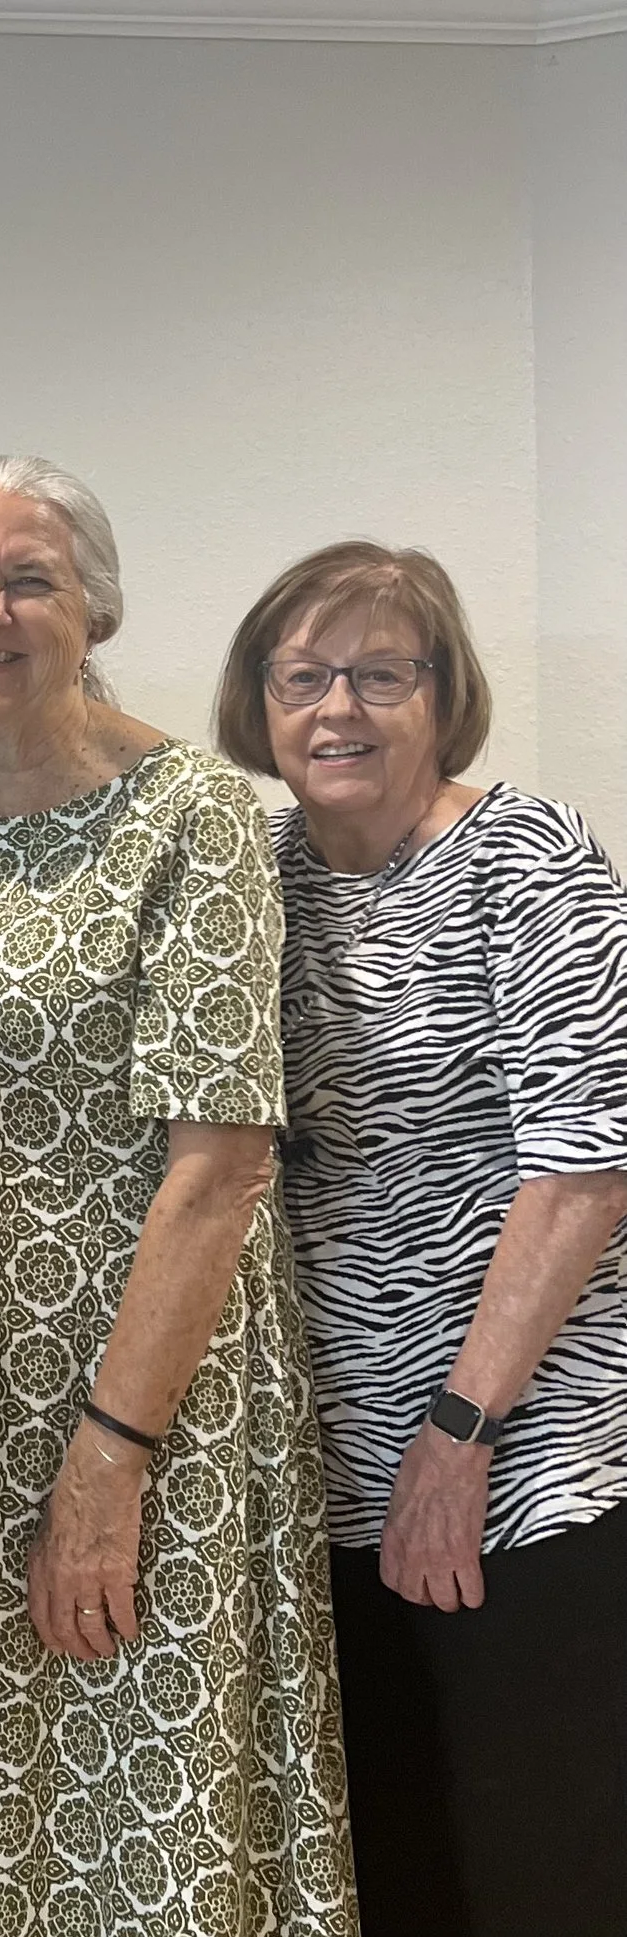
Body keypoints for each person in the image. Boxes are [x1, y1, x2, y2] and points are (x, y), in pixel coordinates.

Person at [0, 457, 357, 1936]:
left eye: (29, 578)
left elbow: (222, 1164)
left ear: (99, 610)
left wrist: (109, 1458)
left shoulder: (195, 815)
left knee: (140, 1792)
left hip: (150, 1383)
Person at [215, 541, 627, 1935]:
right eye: (306, 676)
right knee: (384, 1864)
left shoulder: (527, 857)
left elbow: (583, 1174)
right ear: (259, 704)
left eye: (382, 675)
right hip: (323, 1465)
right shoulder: (254, 876)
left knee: (533, 1860)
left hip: (526, 1461)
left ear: (443, 698)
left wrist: (458, 1436)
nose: (340, 708)